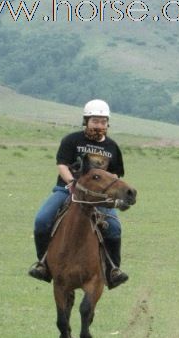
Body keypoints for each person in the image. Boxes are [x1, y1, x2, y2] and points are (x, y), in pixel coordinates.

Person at [28, 99, 129, 289]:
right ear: (86, 121)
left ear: (107, 123)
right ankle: (43, 264)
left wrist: (107, 194)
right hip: (67, 191)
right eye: (95, 121)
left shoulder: (112, 147)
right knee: (42, 220)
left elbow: (115, 175)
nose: (99, 126)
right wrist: (72, 183)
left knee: (114, 227)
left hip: (97, 197)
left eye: (103, 122)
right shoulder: (72, 140)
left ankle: (113, 270)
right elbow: (62, 165)